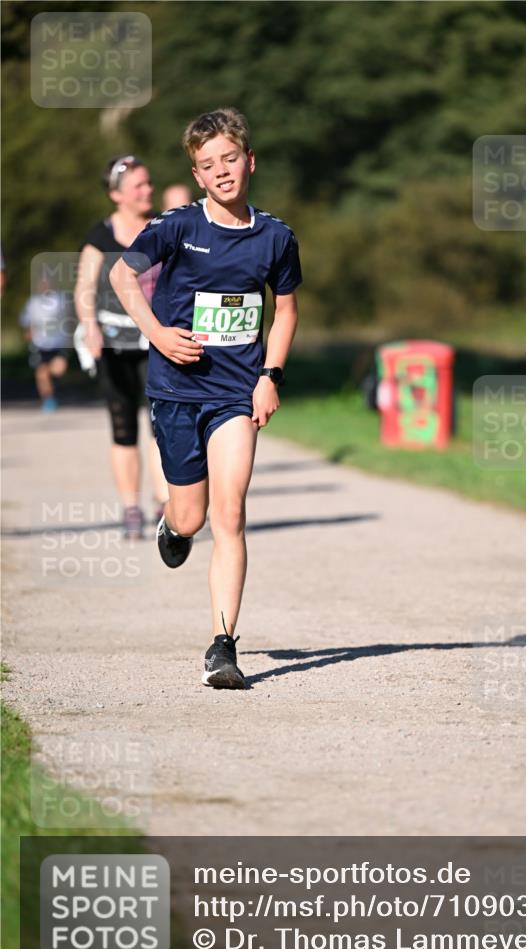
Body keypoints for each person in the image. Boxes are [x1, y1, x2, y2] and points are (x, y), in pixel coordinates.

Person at [109, 108, 301, 689]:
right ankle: (174, 525)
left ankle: (223, 646)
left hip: (235, 393)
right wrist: (157, 333)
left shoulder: (275, 237)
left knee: (231, 512)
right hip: (175, 389)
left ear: (250, 161)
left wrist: (270, 375)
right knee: (191, 515)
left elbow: (285, 310)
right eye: (208, 164)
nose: (222, 171)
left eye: (230, 159)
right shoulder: (178, 227)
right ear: (197, 174)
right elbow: (122, 276)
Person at [75, 155, 169, 539]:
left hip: (157, 340)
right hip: (114, 342)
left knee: (161, 424)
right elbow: (84, 288)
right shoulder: (100, 235)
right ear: (117, 195)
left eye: (149, 184)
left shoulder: (165, 227)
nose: (148, 191)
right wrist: (89, 327)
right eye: (138, 186)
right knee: (123, 425)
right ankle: (131, 508)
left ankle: (165, 505)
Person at [20, 272, 71, 411]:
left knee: (58, 369)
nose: (44, 286)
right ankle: (48, 399)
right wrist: (29, 332)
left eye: (47, 283)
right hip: (40, 344)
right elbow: (27, 321)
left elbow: (70, 317)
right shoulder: (33, 302)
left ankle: (52, 383)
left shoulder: (60, 299)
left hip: (58, 343)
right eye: (42, 283)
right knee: (41, 373)